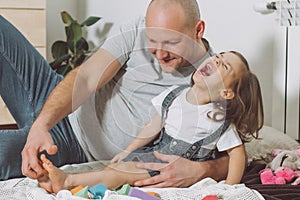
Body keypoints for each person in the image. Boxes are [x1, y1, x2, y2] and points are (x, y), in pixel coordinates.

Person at [0, 0, 237, 187]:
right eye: (152, 40)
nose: (159, 53)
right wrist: (41, 125)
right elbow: (87, 77)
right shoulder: (136, 29)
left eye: (171, 42)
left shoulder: (215, 79)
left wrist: (203, 170)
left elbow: (234, 150)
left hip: (71, 144)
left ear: (198, 30)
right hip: (55, 97)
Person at [37, 51, 264, 193]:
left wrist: (230, 187)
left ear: (226, 93)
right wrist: (128, 150)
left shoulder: (217, 119)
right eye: (219, 56)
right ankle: (88, 185)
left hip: (172, 168)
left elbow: (236, 153)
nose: (215, 60)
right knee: (117, 166)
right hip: (155, 154)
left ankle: (66, 181)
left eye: (223, 66)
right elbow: (152, 127)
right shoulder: (174, 95)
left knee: (122, 173)